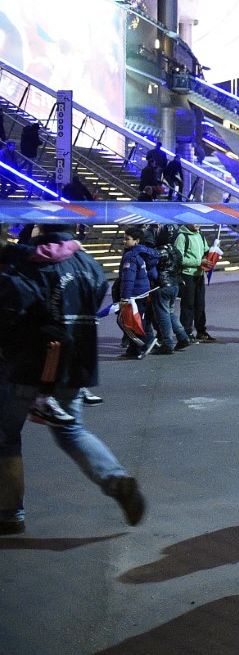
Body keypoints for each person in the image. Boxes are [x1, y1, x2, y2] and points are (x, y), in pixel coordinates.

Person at [0, 224, 146, 535]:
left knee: (6, 435)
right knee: (71, 430)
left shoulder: (30, 264)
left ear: (40, 229)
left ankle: (9, 512)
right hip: (73, 363)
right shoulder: (89, 265)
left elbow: (13, 308)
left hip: (28, 364)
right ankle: (114, 478)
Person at [114, 227, 158, 359]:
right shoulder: (143, 254)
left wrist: (125, 297)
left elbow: (128, 279)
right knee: (138, 321)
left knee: (125, 322)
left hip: (134, 295)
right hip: (143, 293)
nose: (124, 241)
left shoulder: (130, 256)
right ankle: (140, 346)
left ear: (136, 241)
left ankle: (138, 347)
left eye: (127, 239)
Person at [150, 224, 191, 355]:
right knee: (171, 312)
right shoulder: (176, 250)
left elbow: (151, 268)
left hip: (162, 285)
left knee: (163, 315)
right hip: (174, 285)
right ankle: (183, 336)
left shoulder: (159, 251)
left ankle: (168, 343)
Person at [174, 224, 216, 343]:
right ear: (187, 222)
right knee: (188, 305)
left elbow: (206, 251)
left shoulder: (200, 235)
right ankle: (186, 333)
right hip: (187, 275)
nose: (198, 224)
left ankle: (201, 331)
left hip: (199, 275)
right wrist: (198, 262)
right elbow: (179, 259)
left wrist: (214, 253)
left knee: (200, 305)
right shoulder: (182, 237)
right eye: (194, 221)